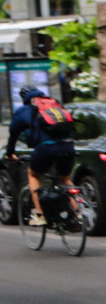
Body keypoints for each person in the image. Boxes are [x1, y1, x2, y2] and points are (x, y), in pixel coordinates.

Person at [5, 85, 76, 220]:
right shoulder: (56, 106)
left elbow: (13, 134)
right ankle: (77, 214)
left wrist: (10, 153)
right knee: (66, 178)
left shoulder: (24, 111)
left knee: (33, 175)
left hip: (46, 148)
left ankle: (39, 214)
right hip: (68, 145)